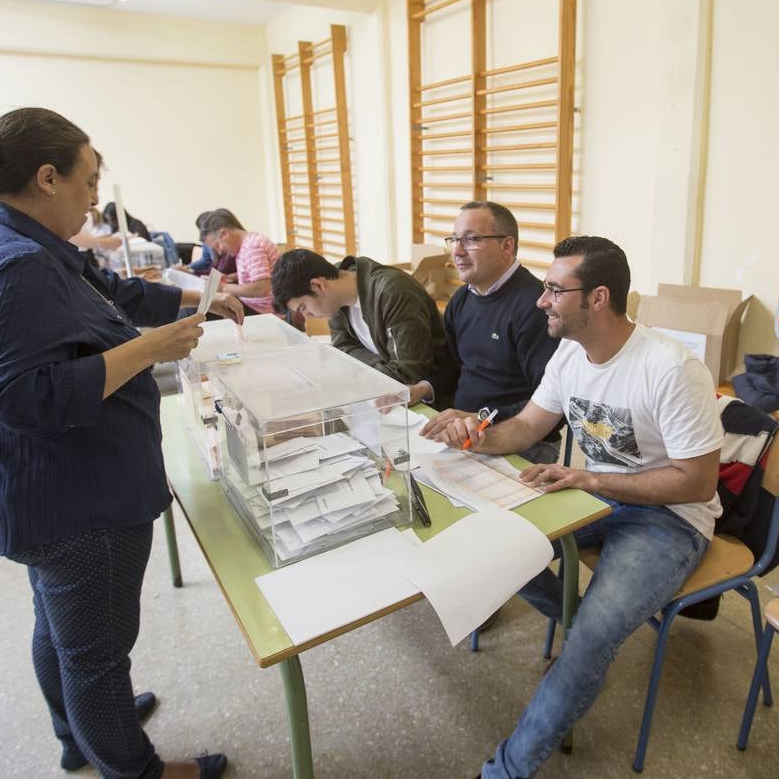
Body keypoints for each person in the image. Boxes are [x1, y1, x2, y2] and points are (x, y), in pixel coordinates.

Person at [0, 107, 237, 779]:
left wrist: (197, 300)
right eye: (89, 180)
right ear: (47, 177)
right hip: (76, 497)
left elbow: (111, 289)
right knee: (96, 650)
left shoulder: (28, 242)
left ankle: (82, 733)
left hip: (51, 488)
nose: (95, 197)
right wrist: (147, 351)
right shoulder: (16, 266)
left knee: (60, 626)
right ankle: (134, 768)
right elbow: (23, 398)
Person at [428, 236, 724, 779]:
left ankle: (506, 770)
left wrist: (591, 477)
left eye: (553, 291)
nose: (540, 301)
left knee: (588, 642)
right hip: (594, 492)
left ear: (597, 298)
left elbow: (698, 482)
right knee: (488, 549)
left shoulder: (670, 368)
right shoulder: (570, 354)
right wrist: (472, 436)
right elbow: (524, 428)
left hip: (671, 518)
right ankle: (585, 633)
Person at [417, 201, 561, 464]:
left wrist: (480, 416)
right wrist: (422, 389)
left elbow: (551, 400)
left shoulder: (535, 307)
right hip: (464, 433)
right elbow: (452, 367)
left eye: (471, 239)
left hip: (521, 441)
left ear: (507, 246)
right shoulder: (461, 299)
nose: (457, 252)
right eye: (455, 240)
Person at [271, 247, 449, 392]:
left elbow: (409, 371)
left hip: (431, 394)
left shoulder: (392, 292)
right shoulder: (336, 296)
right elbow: (343, 349)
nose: (307, 317)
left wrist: (359, 373)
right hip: (386, 387)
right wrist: (381, 367)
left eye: (303, 307)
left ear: (319, 285)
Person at [199, 209, 279, 315]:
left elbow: (262, 287)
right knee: (203, 304)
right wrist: (231, 278)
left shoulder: (252, 247)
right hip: (253, 304)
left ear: (224, 234)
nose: (219, 251)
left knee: (200, 307)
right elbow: (261, 275)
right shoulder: (248, 243)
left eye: (217, 246)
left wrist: (223, 287)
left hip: (261, 310)